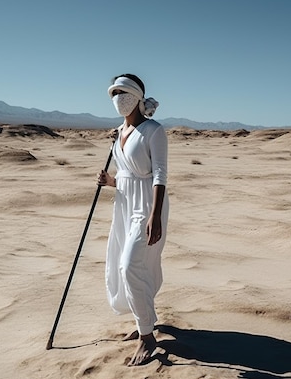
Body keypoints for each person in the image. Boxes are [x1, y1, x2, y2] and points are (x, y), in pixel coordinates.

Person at [97, 73, 169, 366]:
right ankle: (145, 321)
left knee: (130, 265)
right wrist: (111, 181)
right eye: (114, 93)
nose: (119, 98)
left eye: (124, 92)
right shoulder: (117, 132)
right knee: (123, 262)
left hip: (148, 207)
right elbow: (128, 173)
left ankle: (147, 338)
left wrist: (155, 215)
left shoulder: (154, 130)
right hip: (124, 204)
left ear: (138, 96)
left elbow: (159, 174)